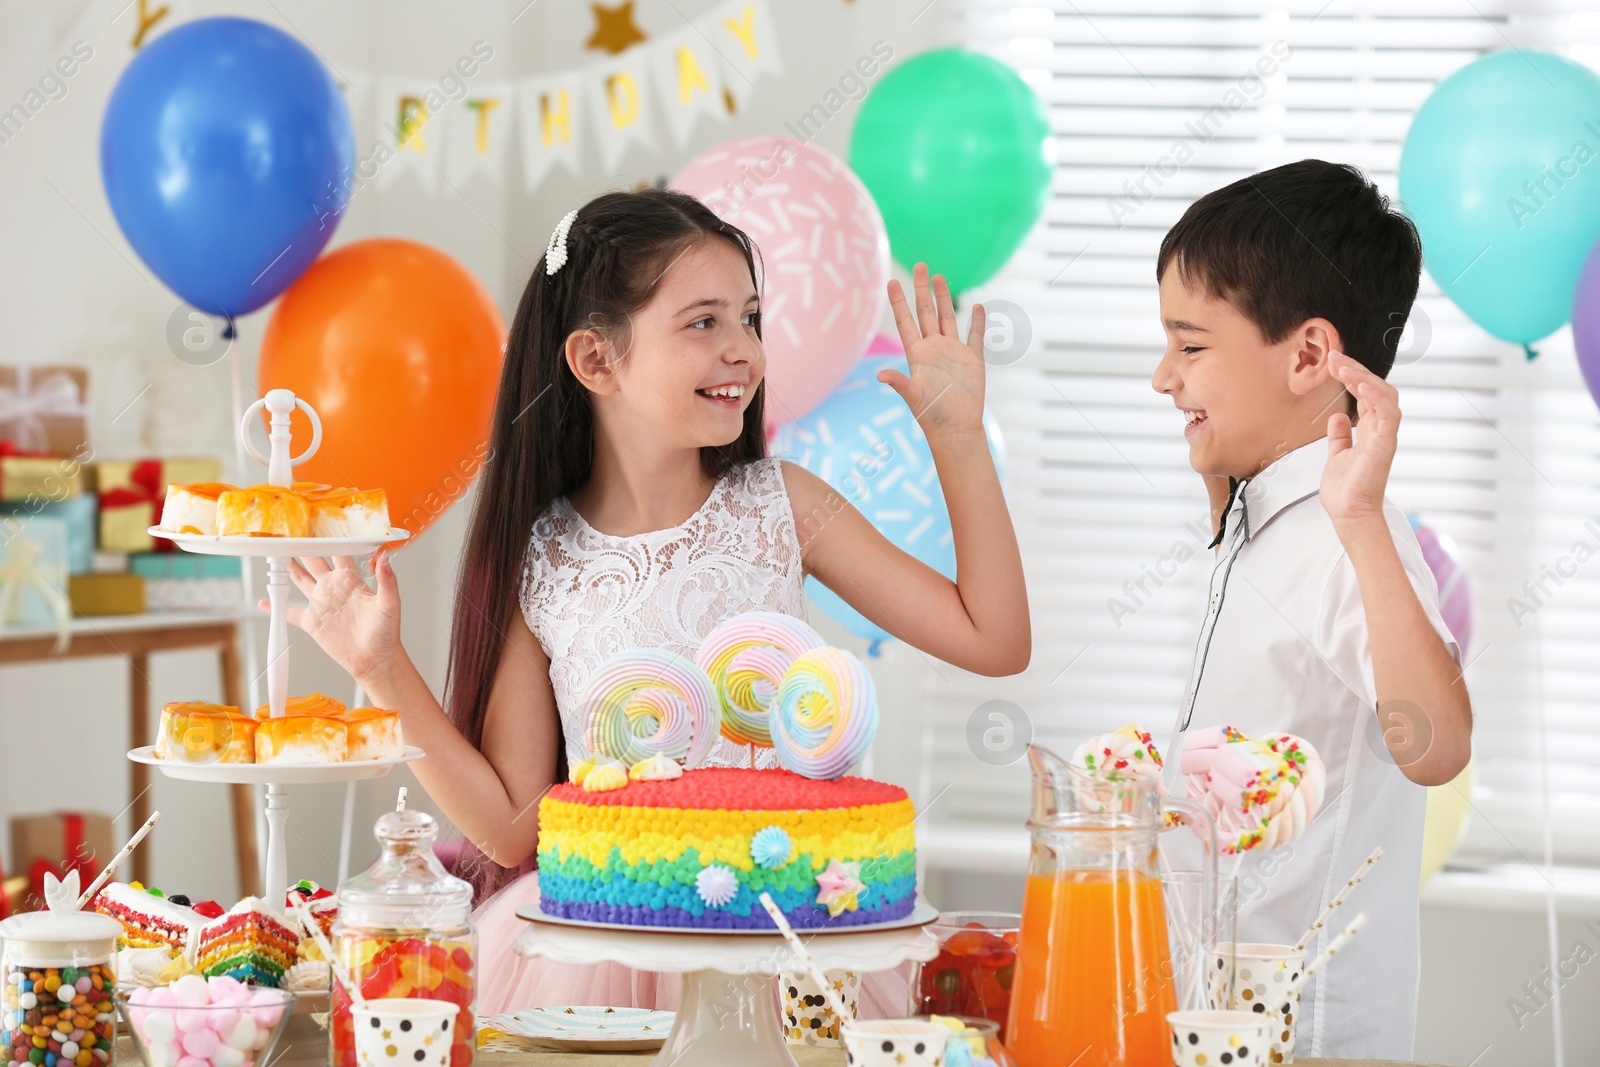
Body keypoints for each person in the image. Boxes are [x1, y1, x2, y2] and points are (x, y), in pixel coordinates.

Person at [275, 187, 1030, 1014]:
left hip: (789, 946)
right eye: (704, 322)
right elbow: (509, 827)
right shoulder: (544, 556)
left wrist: (956, 437)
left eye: (750, 318)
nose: (745, 349)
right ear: (597, 361)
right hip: (605, 960)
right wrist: (379, 666)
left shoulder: (784, 506)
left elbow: (993, 638)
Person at [1151, 159, 1473, 1059]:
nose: (1161, 376)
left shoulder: (1348, 533)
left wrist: (1364, 520)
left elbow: (1437, 744)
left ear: (1306, 356)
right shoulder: (1258, 520)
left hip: (1308, 1036)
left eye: (1191, 345)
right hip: (1222, 1022)